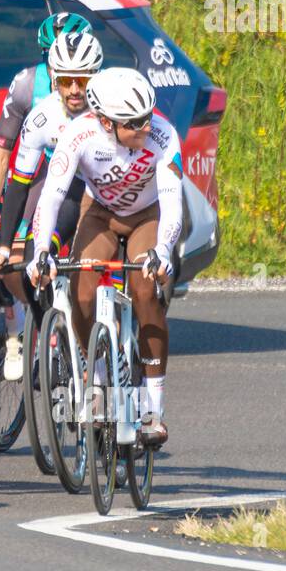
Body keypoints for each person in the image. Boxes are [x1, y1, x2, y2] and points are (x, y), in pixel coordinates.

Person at [28, 67, 182, 447]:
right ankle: (96, 376)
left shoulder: (163, 135)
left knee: (145, 291)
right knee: (81, 293)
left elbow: (173, 201)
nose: (145, 128)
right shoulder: (78, 135)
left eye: (148, 117)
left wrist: (162, 250)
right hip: (101, 214)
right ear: (105, 122)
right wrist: (41, 250)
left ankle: (152, 406)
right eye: (134, 123)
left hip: (149, 215)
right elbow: (52, 195)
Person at [0, 27, 104, 381]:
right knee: (36, 254)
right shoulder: (42, 116)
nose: (75, 90)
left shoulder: (111, 108)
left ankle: (114, 337)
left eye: (82, 80)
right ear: (53, 77)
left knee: (99, 262)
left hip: (109, 186)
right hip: (67, 183)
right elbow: (19, 184)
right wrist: (3, 246)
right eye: (65, 81)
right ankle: (53, 336)